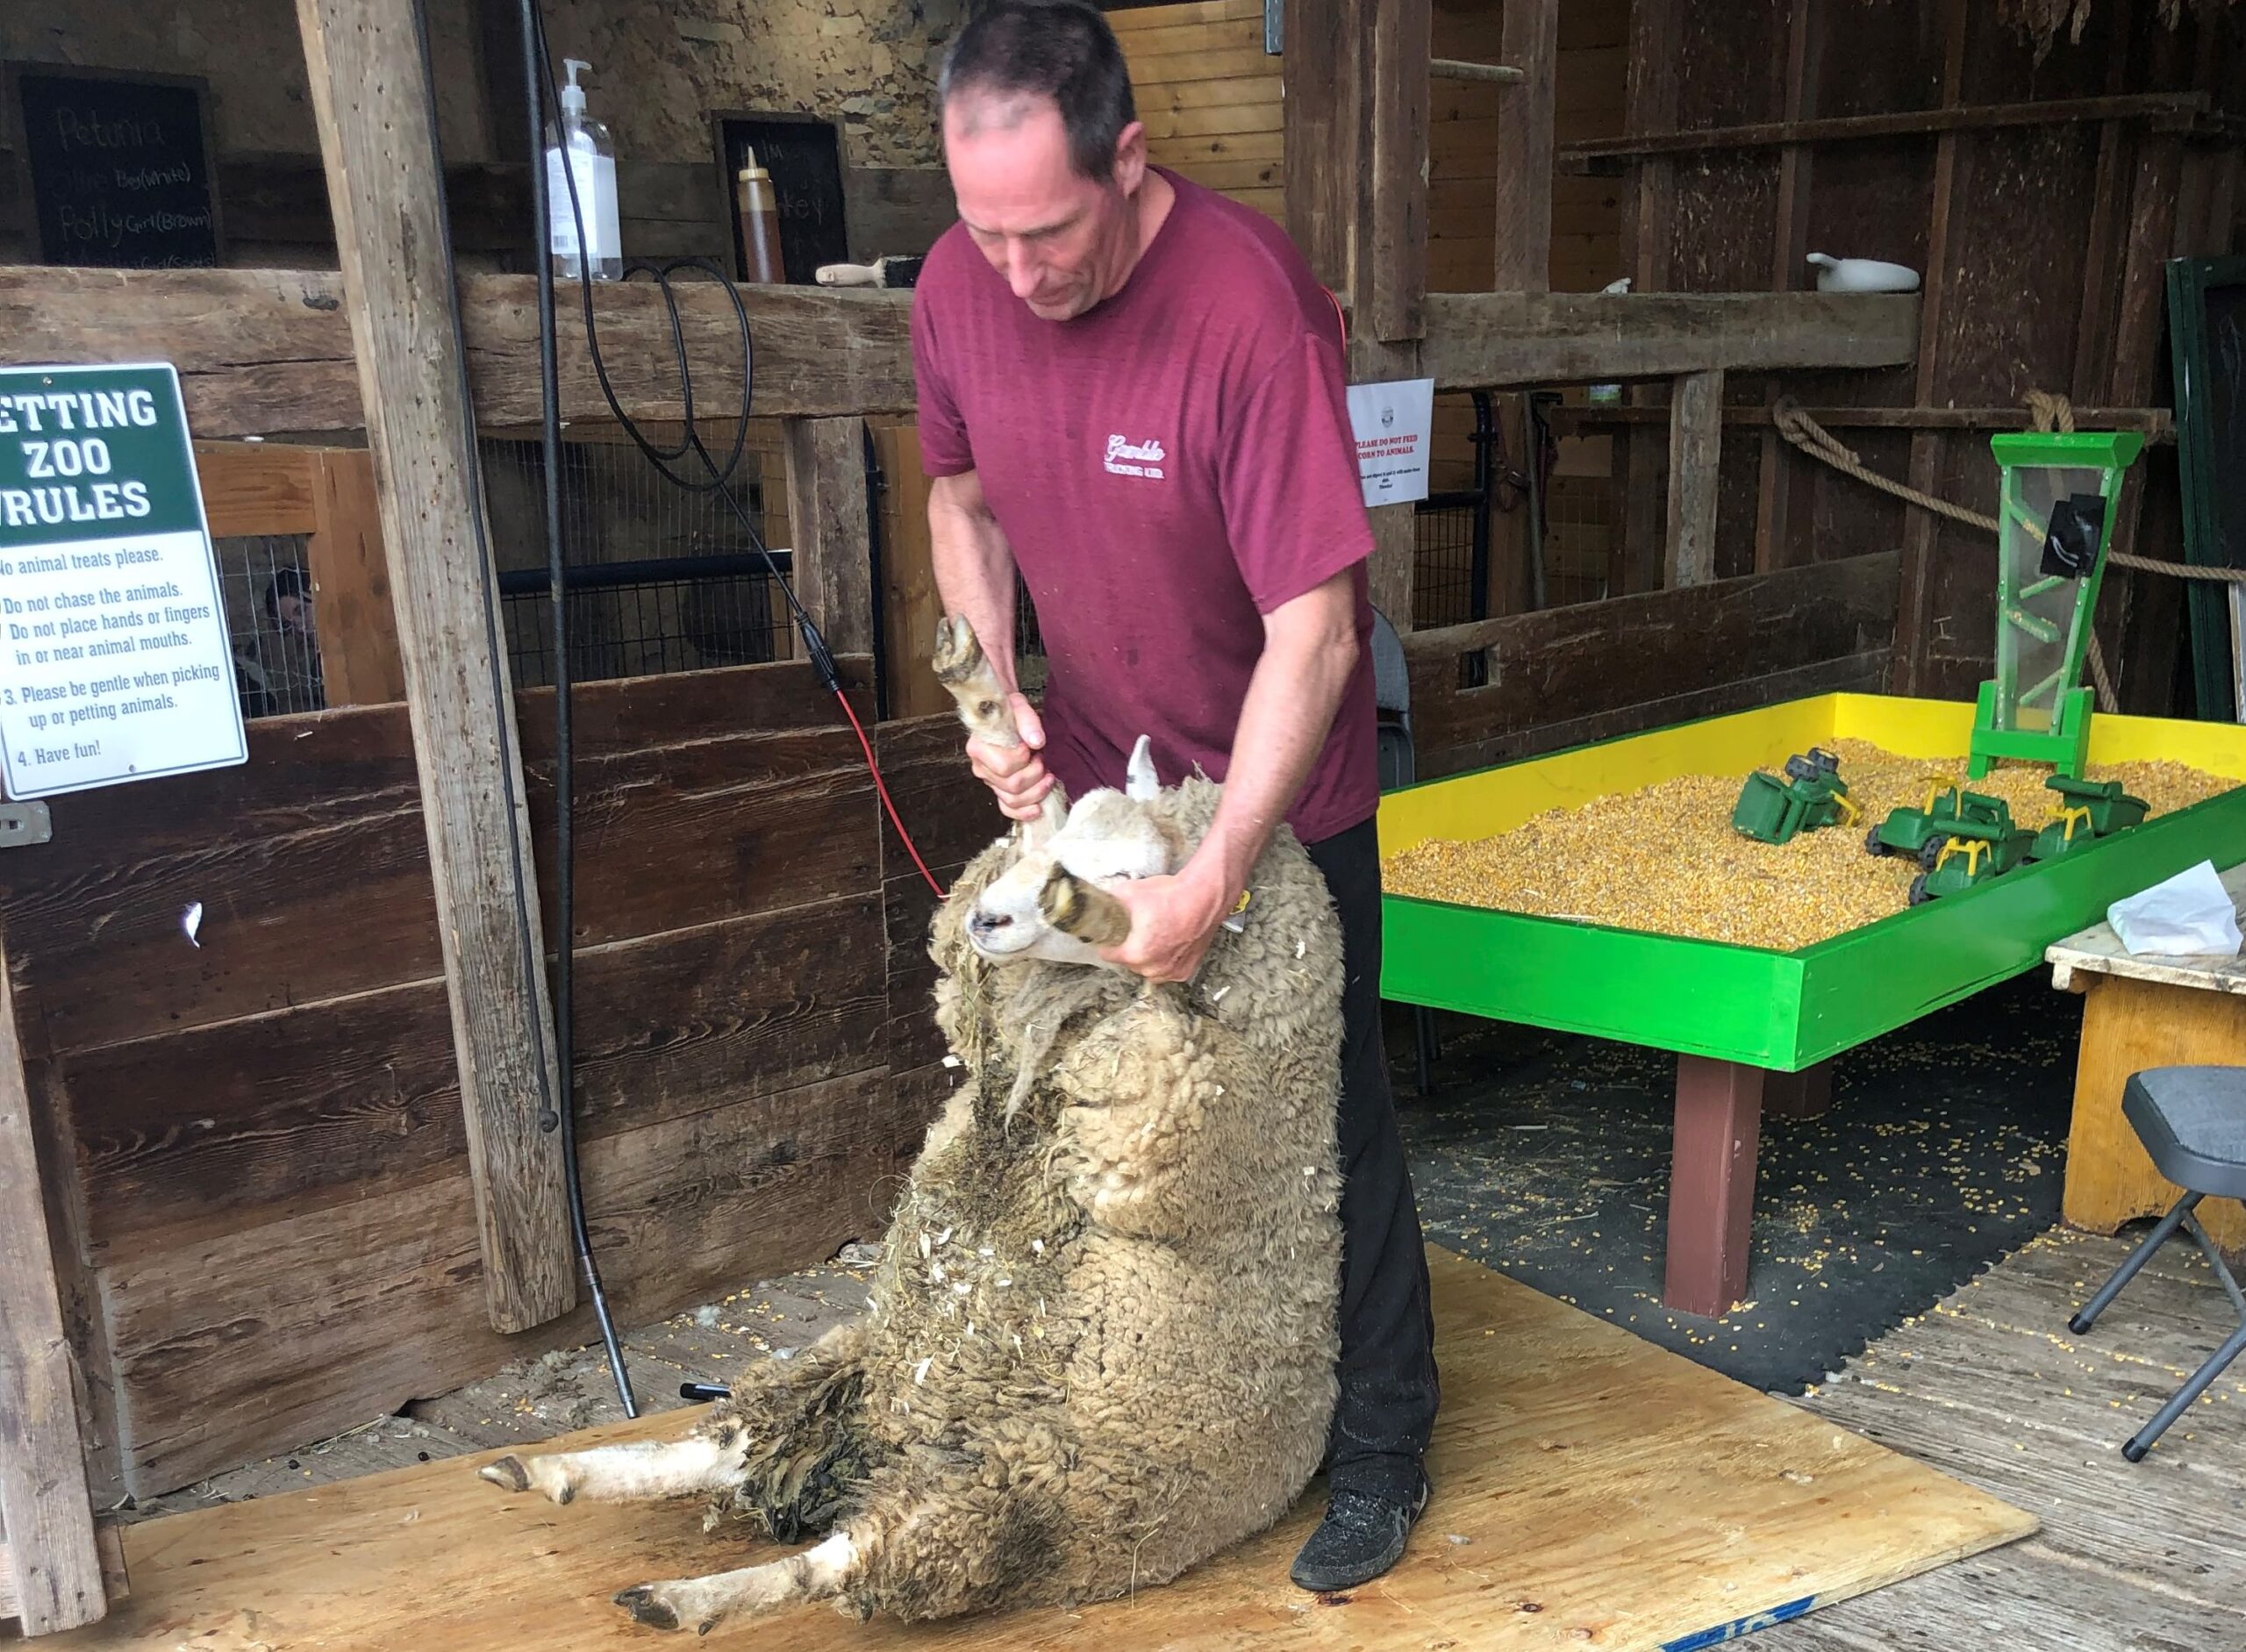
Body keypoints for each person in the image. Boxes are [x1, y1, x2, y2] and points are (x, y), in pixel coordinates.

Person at [909, 0, 1441, 1593]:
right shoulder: (958, 283)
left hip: (1280, 785)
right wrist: (997, 695)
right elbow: (960, 499)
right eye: (984, 233)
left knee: (1324, 1118)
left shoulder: (1250, 310)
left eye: (1048, 233)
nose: (1016, 275)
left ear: (1129, 159)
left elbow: (1320, 631)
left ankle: (1383, 1448)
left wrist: (1217, 877)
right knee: (1095, 1099)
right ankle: (1143, 1420)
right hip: (1099, 788)